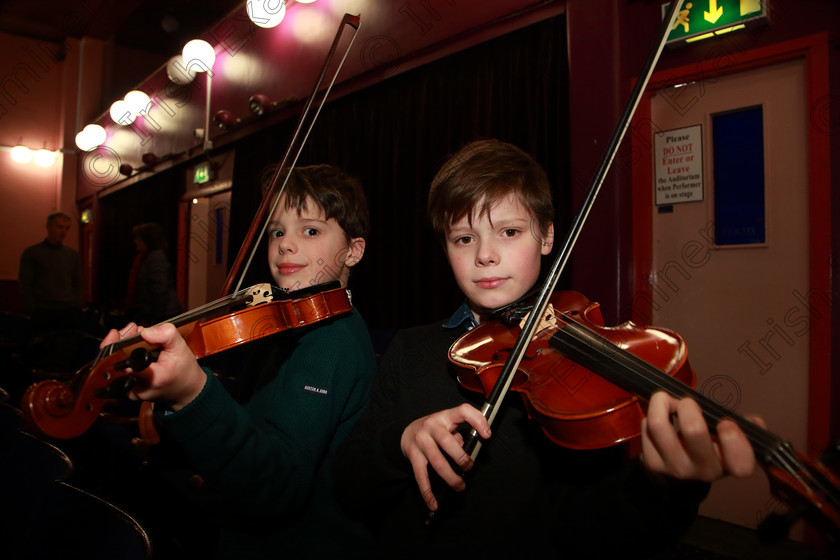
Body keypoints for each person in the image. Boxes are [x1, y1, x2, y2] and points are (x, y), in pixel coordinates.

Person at [333, 139, 758, 558]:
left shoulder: (580, 373)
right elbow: (349, 487)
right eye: (464, 238)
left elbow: (594, 532)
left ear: (547, 236)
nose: (485, 255)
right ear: (445, 247)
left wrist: (663, 486)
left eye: (510, 232)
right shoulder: (410, 351)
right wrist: (401, 441)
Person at [100, 165, 377, 558]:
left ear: (354, 250)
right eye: (277, 231)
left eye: (310, 230)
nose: (285, 245)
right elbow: (248, 435)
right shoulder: (281, 329)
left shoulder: (331, 342)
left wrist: (192, 393)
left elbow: (276, 489)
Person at [18, 211, 83, 333]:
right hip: (43, 311)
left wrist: (75, 305)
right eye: (59, 227)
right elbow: (25, 283)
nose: (63, 231)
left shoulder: (72, 255)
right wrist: (33, 308)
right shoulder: (33, 253)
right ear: (49, 227)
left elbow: (77, 283)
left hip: (67, 310)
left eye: (66, 228)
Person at [125, 222, 182, 326]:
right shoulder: (148, 257)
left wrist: (154, 319)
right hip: (158, 314)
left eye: (138, 238)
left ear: (146, 240)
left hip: (163, 315)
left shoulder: (156, 258)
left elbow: (160, 289)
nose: (135, 241)